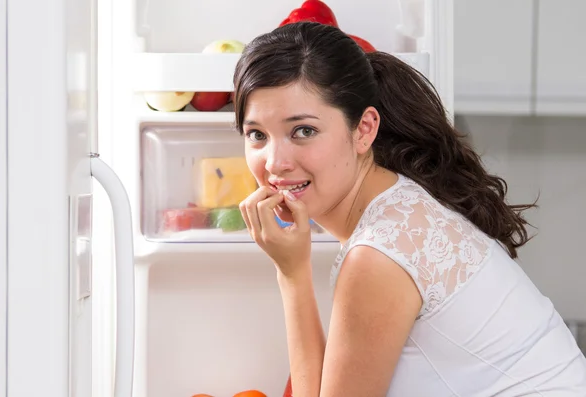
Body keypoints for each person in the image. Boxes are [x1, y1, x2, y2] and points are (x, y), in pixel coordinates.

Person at [234, 22, 586, 397]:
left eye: (303, 131)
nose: (275, 163)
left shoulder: (377, 256)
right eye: (257, 134)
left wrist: (292, 274)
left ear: (364, 129)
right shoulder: (400, 203)